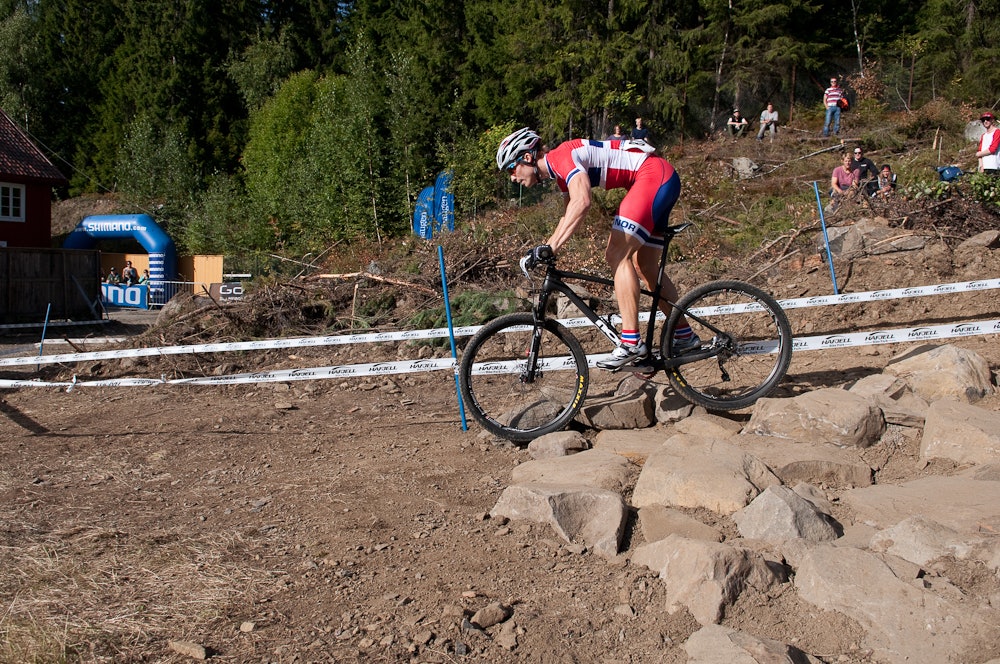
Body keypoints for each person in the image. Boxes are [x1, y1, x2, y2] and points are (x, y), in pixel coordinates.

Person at [497, 127, 698, 370]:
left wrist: (551, 246)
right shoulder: (560, 173)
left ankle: (632, 342)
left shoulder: (561, 157)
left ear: (527, 158)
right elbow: (568, 217)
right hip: (661, 178)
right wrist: (546, 248)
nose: (512, 177)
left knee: (616, 255)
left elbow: (583, 201)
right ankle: (684, 335)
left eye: (511, 168)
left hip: (651, 177)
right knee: (644, 266)